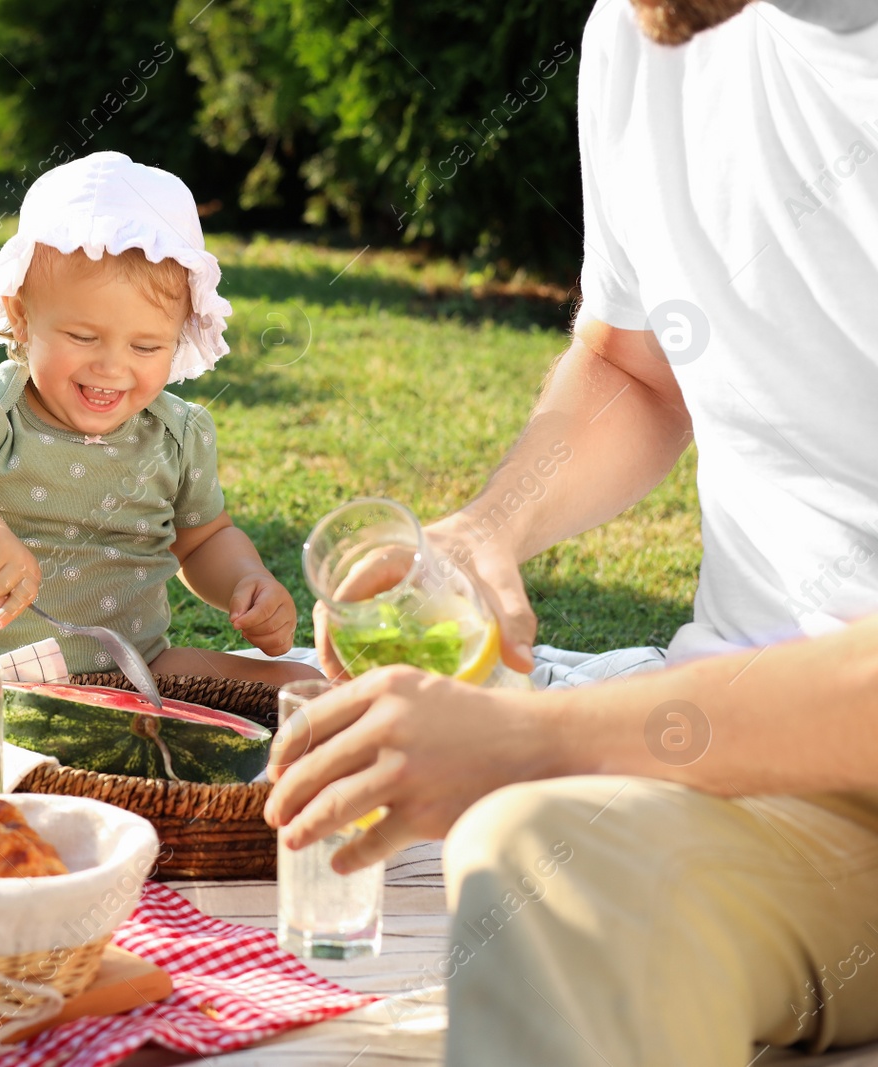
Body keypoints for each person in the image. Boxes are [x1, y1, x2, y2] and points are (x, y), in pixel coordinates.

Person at [264, 0, 878, 1063]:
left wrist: (536, 739)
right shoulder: (650, 31)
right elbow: (633, 366)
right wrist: (485, 530)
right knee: (542, 856)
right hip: (761, 774)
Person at [0, 151, 318, 828]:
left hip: (141, 674)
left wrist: (247, 583)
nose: (112, 366)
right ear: (20, 317)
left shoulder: (178, 432)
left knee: (307, 692)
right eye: (82, 335)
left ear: (182, 336)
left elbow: (205, 539)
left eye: (146, 346)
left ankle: (288, 813)